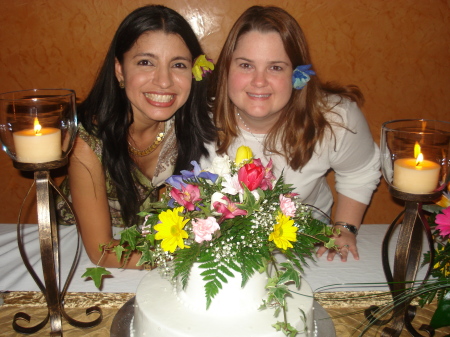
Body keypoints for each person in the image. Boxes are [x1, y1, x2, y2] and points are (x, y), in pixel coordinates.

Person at [202, 6, 380, 262]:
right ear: (227, 69)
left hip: (306, 240)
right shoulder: (196, 117)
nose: (259, 81)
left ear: (298, 75)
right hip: (217, 244)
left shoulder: (335, 119)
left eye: (275, 67)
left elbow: (360, 170)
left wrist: (345, 227)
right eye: (246, 65)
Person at [56, 5, 215, 268]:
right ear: (120, 70)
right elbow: (102, 251)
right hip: (75, 252)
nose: (164, 81)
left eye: (178, 65)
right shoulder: (87, 140)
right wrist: (191, 259)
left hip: (147, 244)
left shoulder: (191, 123)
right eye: (145, 62)